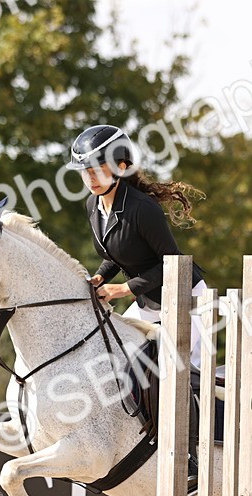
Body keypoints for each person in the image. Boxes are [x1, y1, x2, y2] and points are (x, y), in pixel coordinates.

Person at [66, 124, 209, 368]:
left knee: (170, 370)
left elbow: (172, 263)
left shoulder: (142, 208)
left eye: (98, 170)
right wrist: (99, 277)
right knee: (118, 359)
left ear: (121, 168)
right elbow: (117, 252)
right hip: (148, 303)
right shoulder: (93, 205)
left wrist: (124, 288)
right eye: (85, 172)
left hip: (185, 299)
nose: (90, 179)